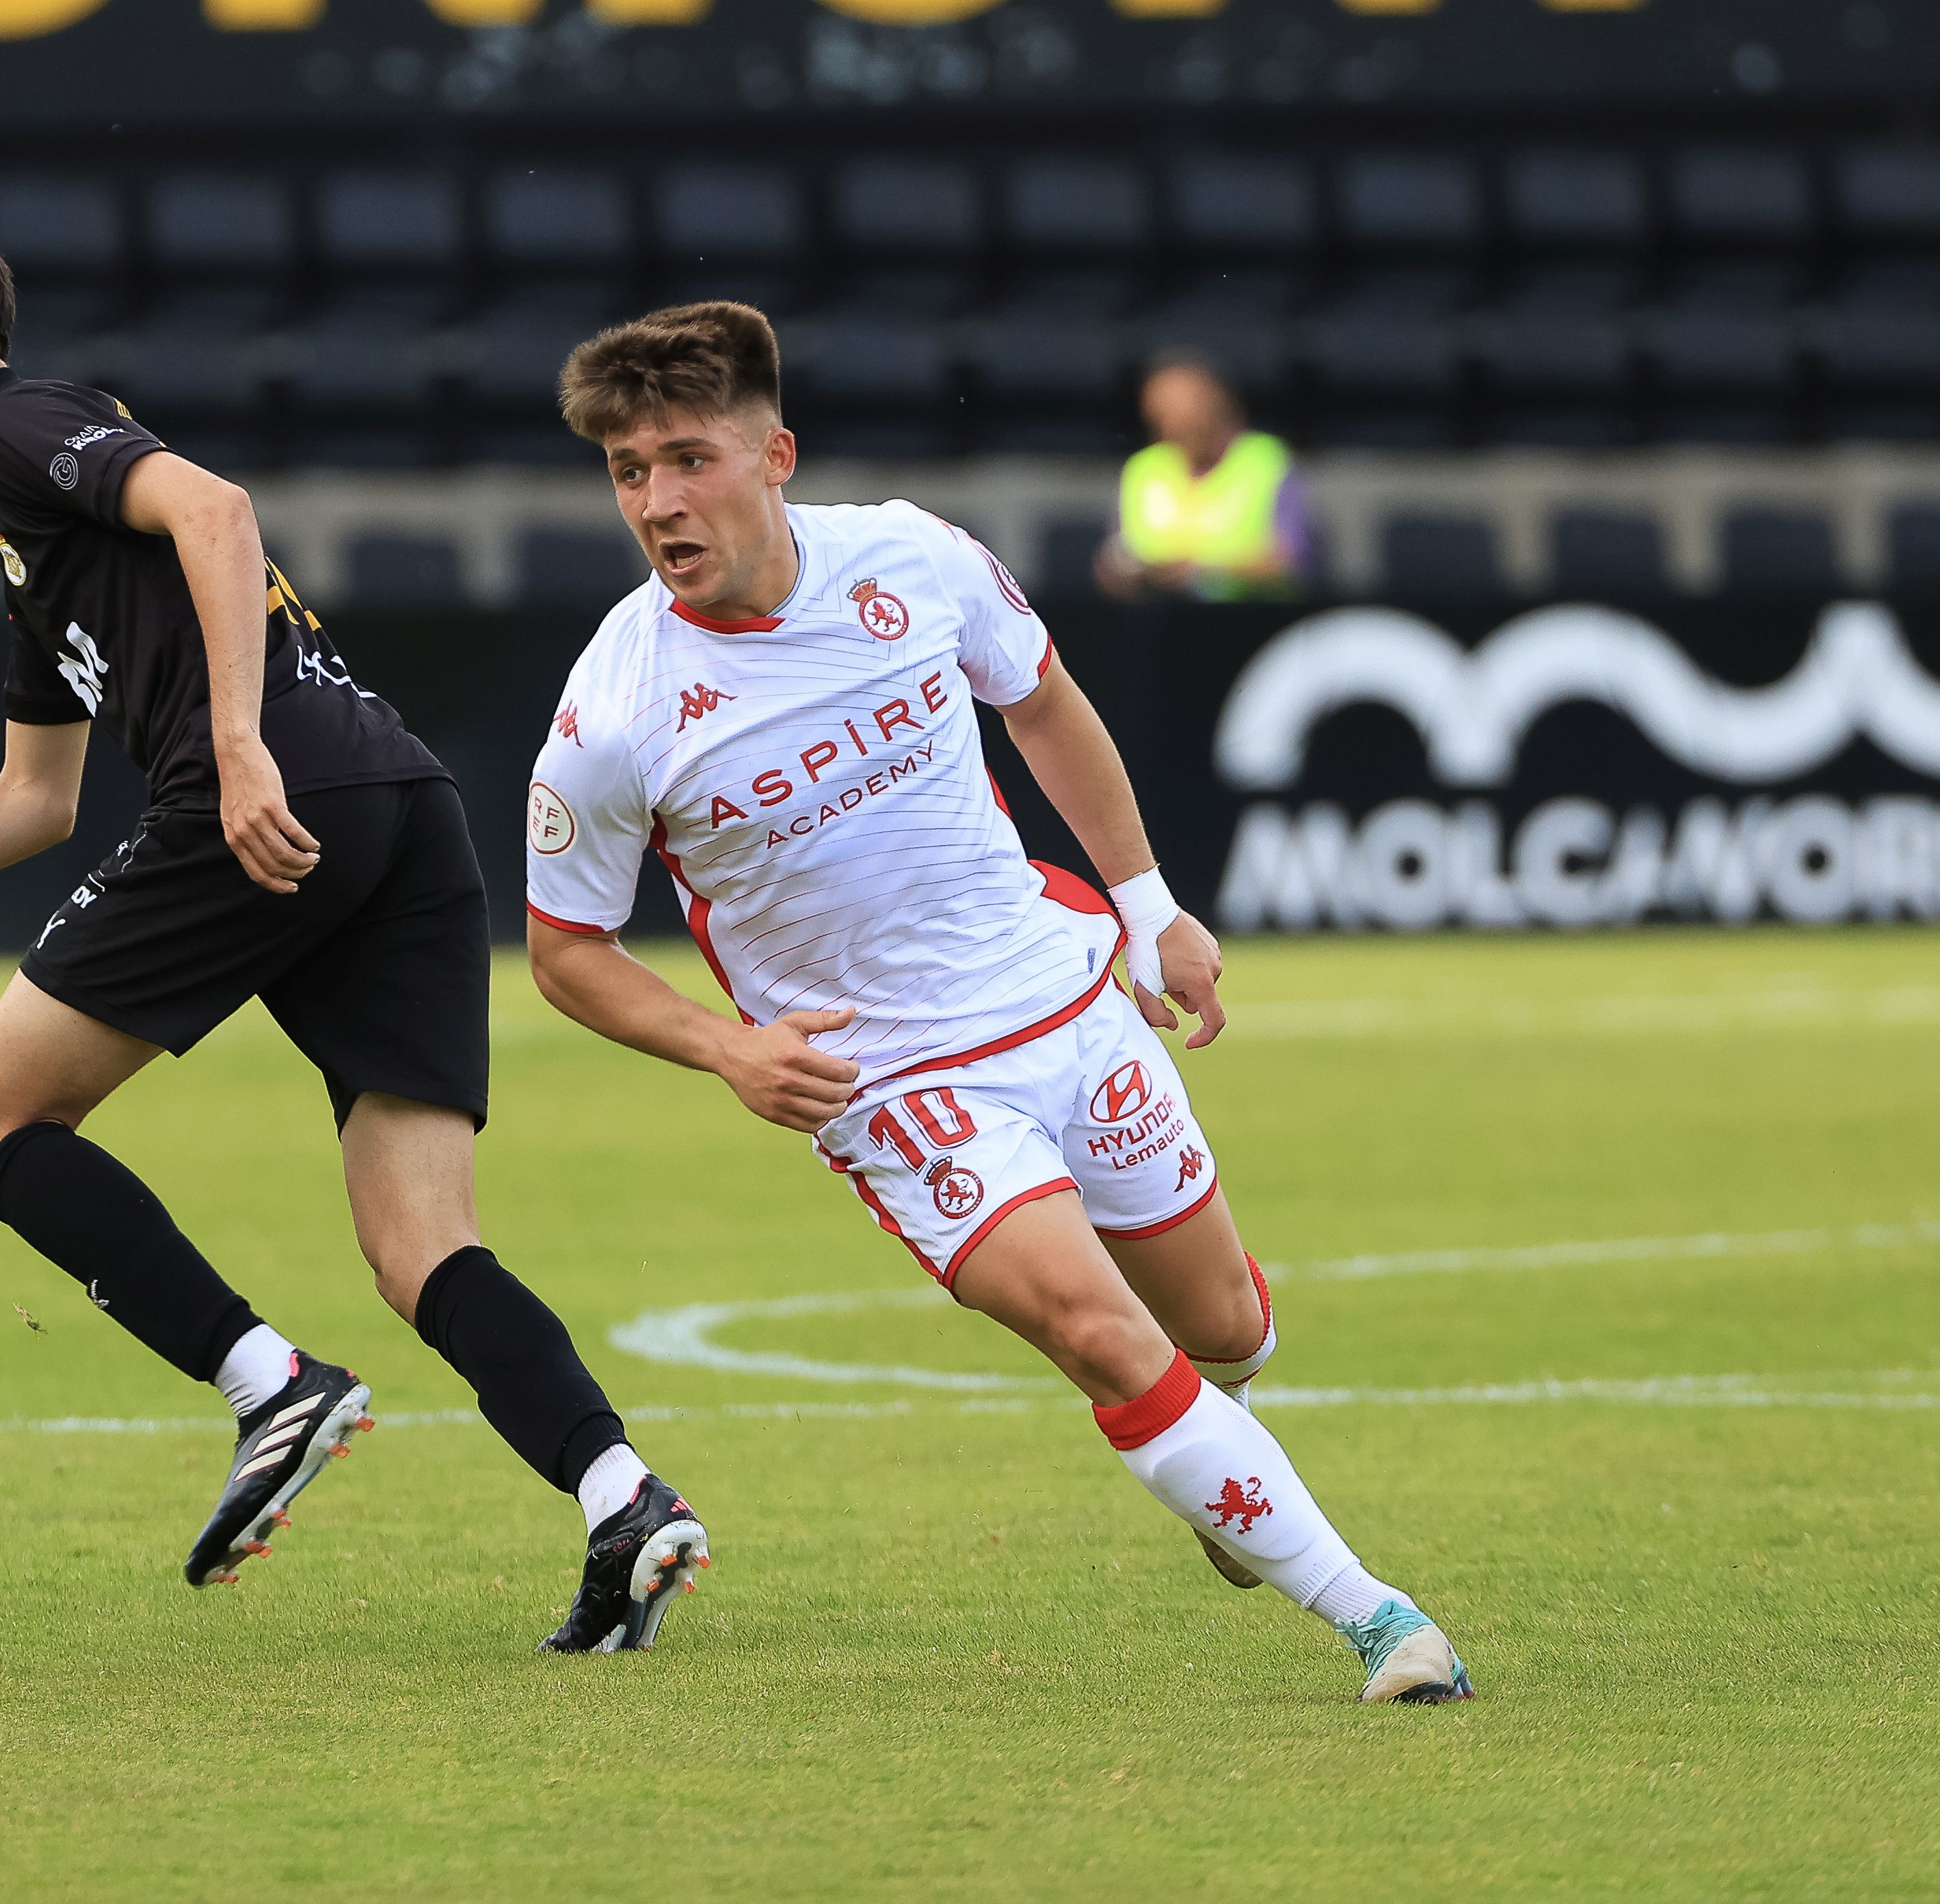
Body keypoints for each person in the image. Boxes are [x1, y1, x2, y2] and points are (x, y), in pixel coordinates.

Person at [0, 204, 709, 1651]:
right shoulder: (24, 540)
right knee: (419, 1245)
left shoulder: (17, 423)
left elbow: (218, 510)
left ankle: (271, 1384)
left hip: (273, 793)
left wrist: (238, 745)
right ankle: (621, 1498)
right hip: (396, 799)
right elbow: (31, 799)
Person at [519, 301, 1470, 1704]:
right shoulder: (614, 711)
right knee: (1100, 1334)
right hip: (893, 1085)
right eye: (624, 471)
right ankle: (1380, 1620)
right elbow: (563, 949)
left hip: (1062, 999)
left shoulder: (913, 557)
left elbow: (1040, 701)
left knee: (1221, 1331)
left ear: (773, 453)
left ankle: (1227, 1448)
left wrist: (1148, 909)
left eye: (685, 458)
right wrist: (724, 1048)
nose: (656, 501)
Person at [1094, 350, 1314, 600]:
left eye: (1189, 417)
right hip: (1158, 623)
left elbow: (1290, 563)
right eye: (1163, 418)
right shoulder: (1143, 469)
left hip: (1251, 622)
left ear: (1219, 408)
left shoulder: (1266, 460)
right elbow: (1111, 564)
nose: (1176, 428)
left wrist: (1201, 571)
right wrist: (1129, 572)